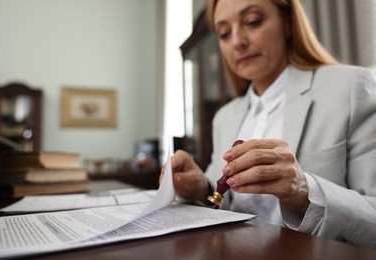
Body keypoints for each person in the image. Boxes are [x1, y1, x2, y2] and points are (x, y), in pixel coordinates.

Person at [159, 0, 376, 249]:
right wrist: (201, 187)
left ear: (287, 23)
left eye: (253, 21)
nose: (238, 42)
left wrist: (307, 192)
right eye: (224, 33)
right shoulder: (225, 116)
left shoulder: (350, 88)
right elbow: (222, 201)